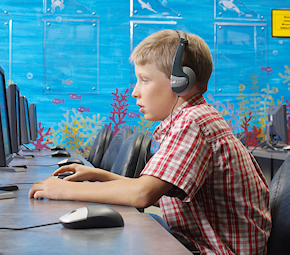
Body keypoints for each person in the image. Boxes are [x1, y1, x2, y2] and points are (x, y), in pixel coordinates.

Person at [29, 29, 272, 254]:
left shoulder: (194, 122)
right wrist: (101, 176)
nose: (135, 91)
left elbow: (142, 194)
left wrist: (62, 189)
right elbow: (157, 191)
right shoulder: (192, 118)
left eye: (144, 80)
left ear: (181, 82)